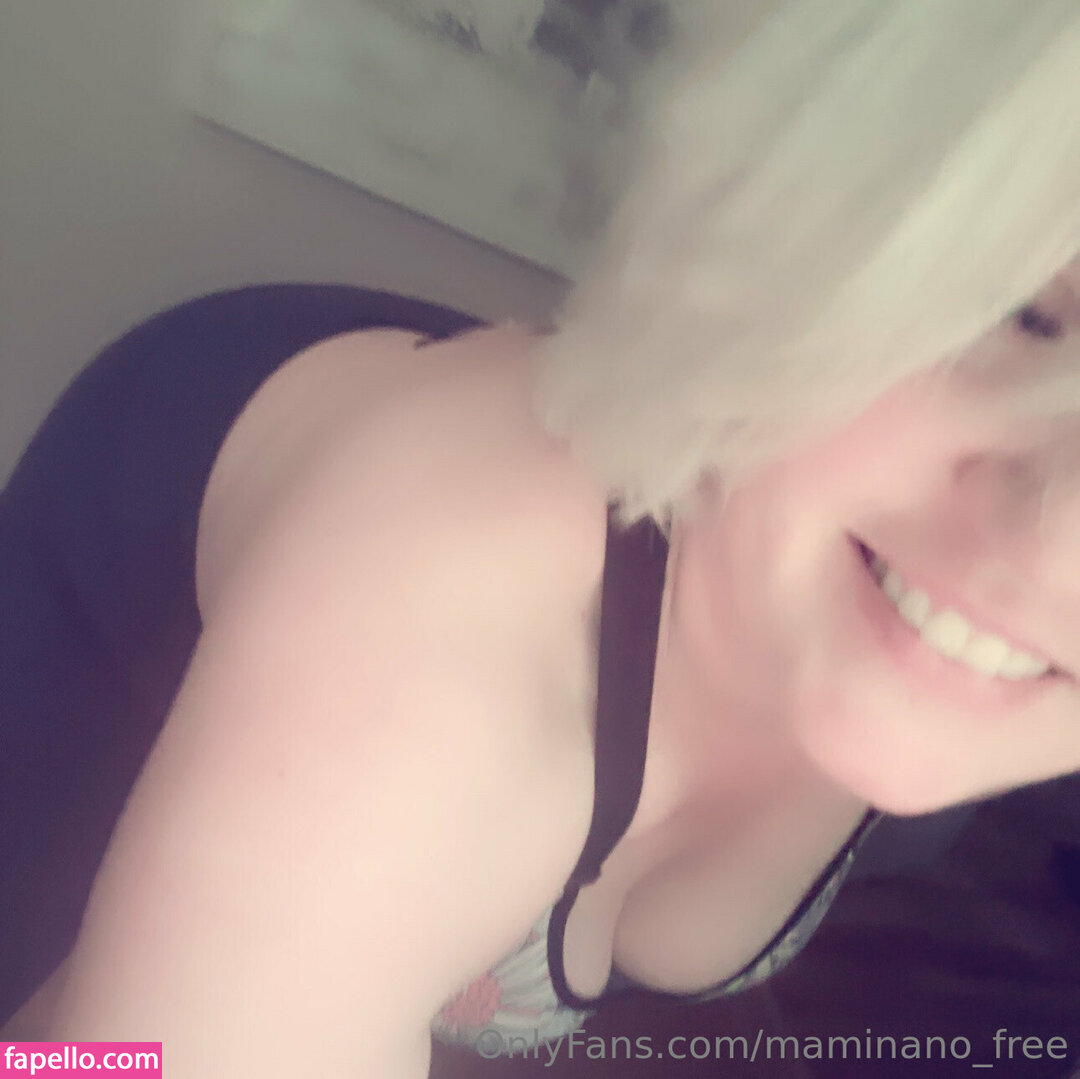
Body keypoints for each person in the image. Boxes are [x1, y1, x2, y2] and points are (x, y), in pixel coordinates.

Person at [3, 0, 1080, 1075]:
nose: (1053, 552)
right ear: (801, 214)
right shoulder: (423, 671)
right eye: (1026, 314)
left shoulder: (924, 638)